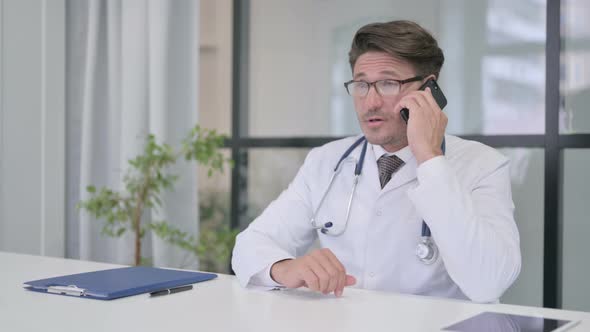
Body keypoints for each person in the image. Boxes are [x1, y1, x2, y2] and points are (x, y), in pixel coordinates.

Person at [231, 20, 521, 303]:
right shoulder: (327, 161)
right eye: (361, 85)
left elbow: (489, 282)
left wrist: (430, 159)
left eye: (387, 83)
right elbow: (249, 245)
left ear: (428, 89)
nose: (370, 103)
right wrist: (284, 267)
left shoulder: (482, 165)